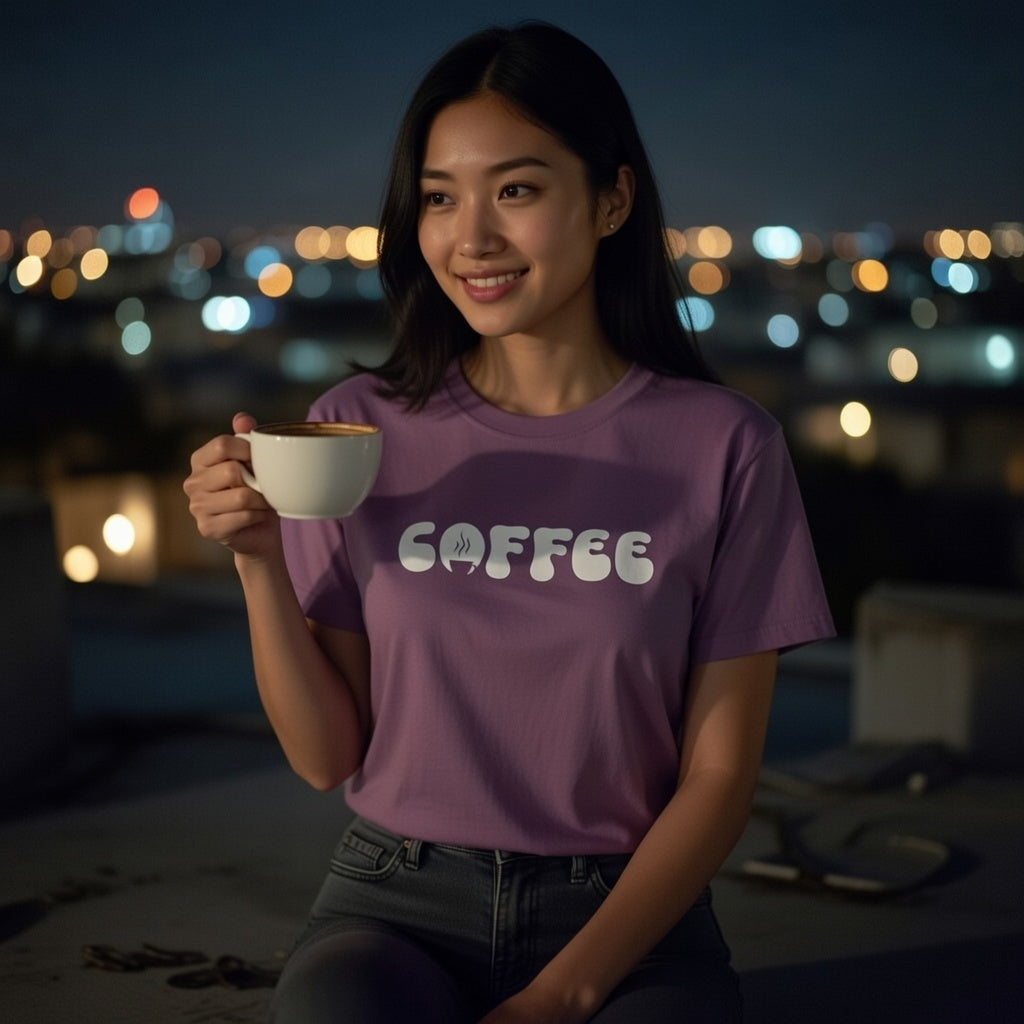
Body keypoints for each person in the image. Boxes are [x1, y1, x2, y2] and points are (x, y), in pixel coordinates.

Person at [184, 21, 834, 1023]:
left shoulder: (724, 446)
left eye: (516, 190)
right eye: (440, 197)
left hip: (629, 910)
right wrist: (259, 561)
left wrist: (565, 991)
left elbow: (717, 777)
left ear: (611, 198)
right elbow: (325, 756)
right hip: (392, 899)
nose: (469, 237)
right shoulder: (355, 427)